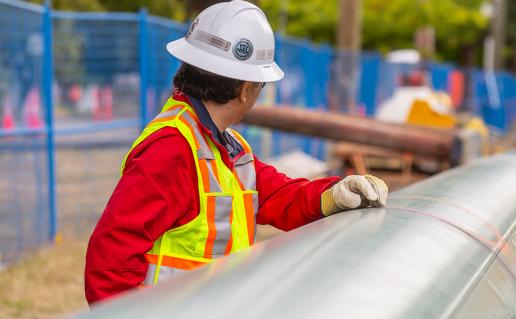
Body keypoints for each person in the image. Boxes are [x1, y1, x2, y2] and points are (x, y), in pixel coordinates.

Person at [84, 0, 388, 305]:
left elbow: (278, 196)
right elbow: (110, 259)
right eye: (260, 85)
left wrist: (333, 195)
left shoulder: (228, 148)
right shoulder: (172, 149)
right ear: (245, 89)